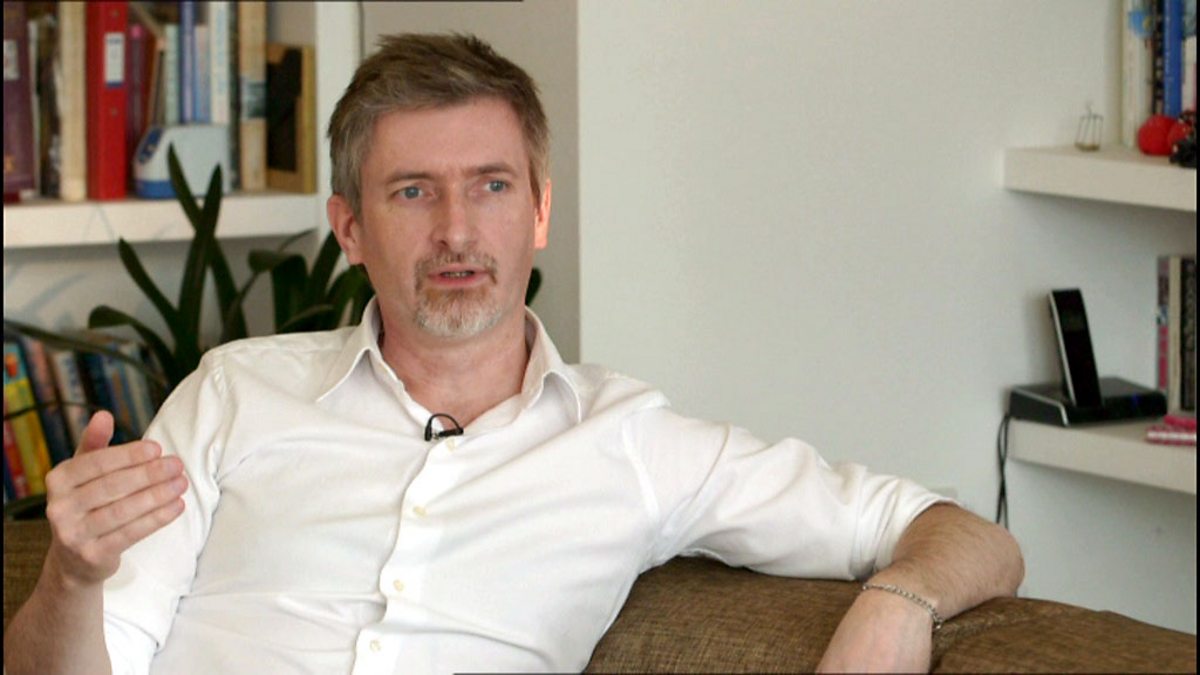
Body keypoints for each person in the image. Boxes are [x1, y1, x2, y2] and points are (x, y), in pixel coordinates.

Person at [4, 33, 1023, 674]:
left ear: (538, 213)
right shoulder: (234, 394)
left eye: (491, 186)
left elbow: (964, 535)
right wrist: (74, 580)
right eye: (413, 192)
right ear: (349, 228)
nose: (457, 230)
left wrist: (900, 603)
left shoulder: (630, 442)